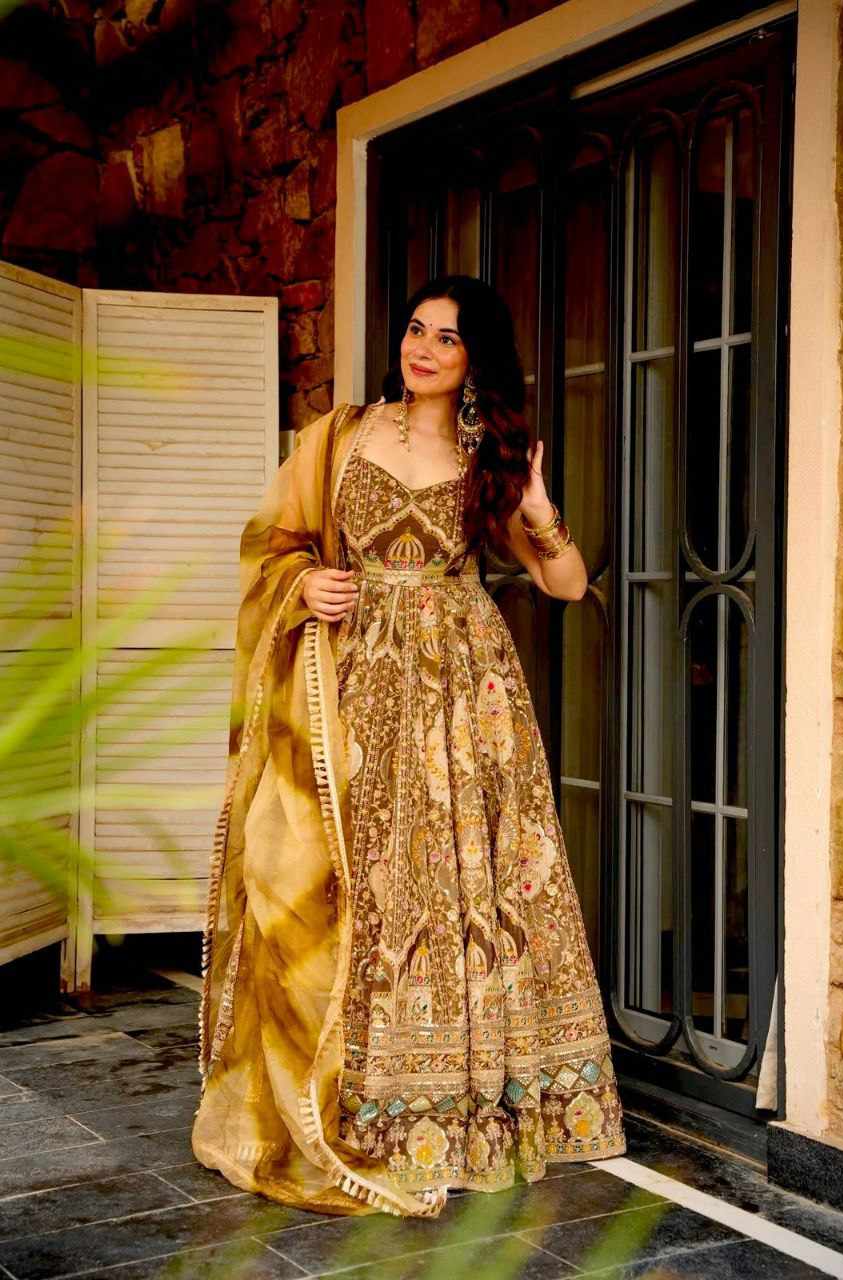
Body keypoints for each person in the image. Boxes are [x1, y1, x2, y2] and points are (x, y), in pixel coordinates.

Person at [191, 274, 627, 1220]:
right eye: (417, 330)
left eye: (448, 339)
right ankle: (349, 1100)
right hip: (349, 685)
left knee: (453, 886)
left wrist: (538, 504)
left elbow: (564, 583)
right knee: (348, 879)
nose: (423, 349)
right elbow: (270, 544)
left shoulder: (486, 459)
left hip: (462, 702)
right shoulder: (340, 435)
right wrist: (304, 585)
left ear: (476, 360)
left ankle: (453, 1107)